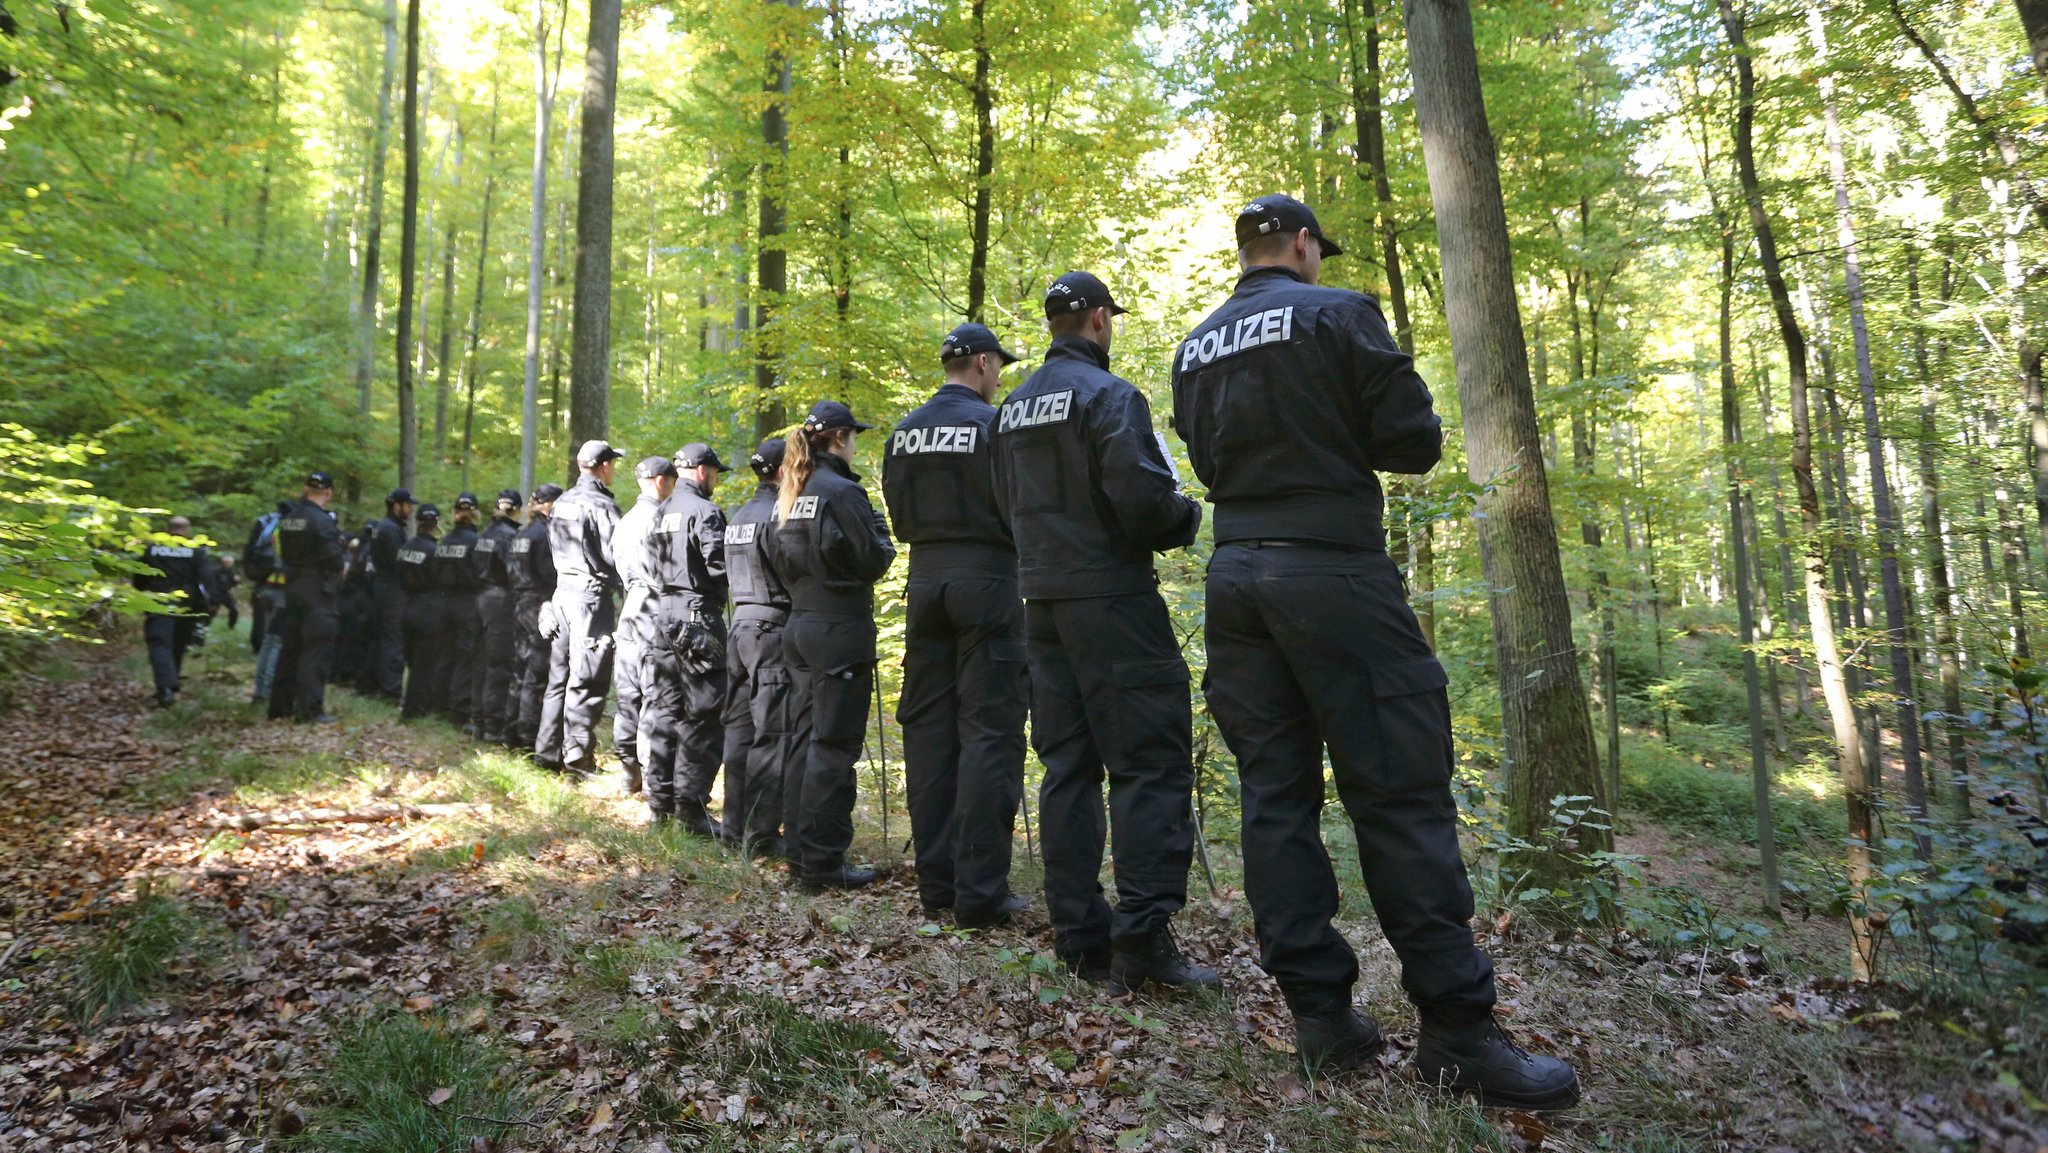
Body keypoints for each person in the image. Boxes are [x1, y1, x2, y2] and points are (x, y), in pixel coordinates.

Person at [1171, 194, 1577, 1107]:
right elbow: (1413, 442)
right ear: (1305, 246)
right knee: (1399, 788)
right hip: (1332, 572)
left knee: (1275, 793)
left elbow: (1202, 461)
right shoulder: (1338, 311)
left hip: (1235, 578)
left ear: (1247, 252)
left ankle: (1321, 1018)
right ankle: (1460, 1034)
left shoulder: (1195, 342)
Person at [989, 271, 1209, 993]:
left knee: (1068, 768)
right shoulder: (1111, 397)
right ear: (1096, 321)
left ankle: (1081, 939)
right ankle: (1141, 941)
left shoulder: (1012, 409)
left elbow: (1002, 505)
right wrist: (1187, 517)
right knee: (1149, 764)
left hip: (1041, 604)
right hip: (1112, 600)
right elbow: (1146, 500)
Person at [881, 322, 1032, 928]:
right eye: (998, 364)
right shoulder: (994, 427)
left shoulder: (905, 432)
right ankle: (980, 894)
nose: (999, 375)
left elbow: (897, 512)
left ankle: (936, 884)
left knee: (929, 734)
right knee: (990, 733)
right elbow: (1018, 503)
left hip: (927, 584)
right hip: (990, 580)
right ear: (979, 364)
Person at [768, 401, 896, 891]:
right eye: (854, 435)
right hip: (838, 627)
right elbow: (873, 559)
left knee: (803, 739)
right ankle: (821, 863)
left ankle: (802, 854)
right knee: (834, 744)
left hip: (799, 626)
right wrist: (881, 535)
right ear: (840, 438)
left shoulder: (792, 489)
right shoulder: (842, 492)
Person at [642, 443, 730, 836]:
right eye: (715, 472)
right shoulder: (705, 513)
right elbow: (720, 568)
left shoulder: (661, 512)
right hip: (697, 617)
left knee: (667, 710)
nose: (715, 480)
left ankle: (660, 803)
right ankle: (691, 810)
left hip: (663, 616)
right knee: (705, 714)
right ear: (701, 471)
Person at [721, 439, 797, 858]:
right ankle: (763, 834)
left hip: (740, 631)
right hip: (770, 632)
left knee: (739, 731)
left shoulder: (739, 516)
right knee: (773, 731)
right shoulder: (777, 515)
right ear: (783, 471)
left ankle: (734, 827)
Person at [536, 440, 625, 774]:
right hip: (590, 598)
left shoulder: (562, 503)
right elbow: (617, 554)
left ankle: (547, 752)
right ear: (602, 466)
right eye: (613, 463)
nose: (614, 469)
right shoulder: (601, 505)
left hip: (562, 595)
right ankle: (578, 758)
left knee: (559, 677)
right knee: (587, 677)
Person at [611, 458, 674, 794]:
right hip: (653, 607)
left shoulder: (624, 521)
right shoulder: (660, 520)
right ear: (661, 481)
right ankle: (651, 777)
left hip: (630, 608)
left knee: (628, 692)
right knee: (653, 693)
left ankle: (627, 771)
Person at [268, 471, 347, 724]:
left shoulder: (289, 517)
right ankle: (309, 710)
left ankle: (280, 706)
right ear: (328, 493)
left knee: (290, 647)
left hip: (292, 587)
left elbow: (278, 548)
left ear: (305, 489)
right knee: (316, 647)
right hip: (316, 589)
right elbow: (333, 556)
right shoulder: (322, 520)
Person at [134, 515, 210, 708]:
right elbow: (207, 578)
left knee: (160, 643)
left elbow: (139, 576)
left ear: (168, 529)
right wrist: (208, 603)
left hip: (158, 602)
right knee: (179, 643)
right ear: (187, 530)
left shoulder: (152, 549)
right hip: (186, 604)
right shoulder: (196, 551)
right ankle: (171, 682)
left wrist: (143, 593)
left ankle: (165, 688)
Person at [508, 485, 562, 749]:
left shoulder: (522, 534)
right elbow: (550, 573)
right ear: (548, 505)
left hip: (520, 603)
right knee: (536, 672)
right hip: (539, 604)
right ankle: (528, 738)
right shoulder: (544, 534)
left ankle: (512, 733)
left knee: (520, 668)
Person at [472, 489, 524, 744]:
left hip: (482, 598)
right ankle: (494, 726)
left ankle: (479, 720)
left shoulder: (485, 533)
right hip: (501, 601)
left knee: (483, 661)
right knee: (501, 665)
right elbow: (514, 572)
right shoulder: (509, 537)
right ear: (516, 509)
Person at [361, 488, 415, 702]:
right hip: (391, 588)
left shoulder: (385, 527)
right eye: (408, 505)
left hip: (382, 587)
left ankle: (370, 684)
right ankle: (390, 690)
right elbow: (398, 563)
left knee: (381, 637)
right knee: (393, 638)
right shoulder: (390, 530)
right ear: (397, 505)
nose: (410, 510)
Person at [437, 494, 484, 728]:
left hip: (444, 602)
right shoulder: (476, 542)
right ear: (475, 514)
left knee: (445, 655)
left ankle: (441, 704)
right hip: (467, 602)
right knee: (465, 657)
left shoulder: (443, 542)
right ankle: (460, 712)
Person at [397, 504, 443, 721]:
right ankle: (415, 710)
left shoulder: (405, 548)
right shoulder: (435, 551)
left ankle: (411, 705)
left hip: (407, 606)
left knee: (412, 661)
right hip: (429, 610)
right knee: (424, 664)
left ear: (417, 522)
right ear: (436, 524)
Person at [245, 502, 288, 701]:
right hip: (281, 590)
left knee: (269, 640)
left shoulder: (265, 523)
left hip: (264, 588)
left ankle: (260, 690)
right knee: (277, 641)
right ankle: (267, 691)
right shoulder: (285, 528)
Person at [331, 519, 376, 689]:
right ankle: (347, 675)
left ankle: (337, 673)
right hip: (356, 598)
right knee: (352, 640)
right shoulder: (365, 553)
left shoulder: (348, 553)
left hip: (341, 597)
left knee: (341, 638)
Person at [207, 553, 241, 634]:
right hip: (216, 594)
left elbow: (234, 583)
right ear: (223, 562)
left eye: (230, 562)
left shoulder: (232, 571)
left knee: (234, 610)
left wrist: (237, 581)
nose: (229, 563)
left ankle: (231, 626)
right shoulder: (216, 571)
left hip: (226, 594)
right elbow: (212, 583)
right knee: (212, 612)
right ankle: (205, 626)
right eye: (227, 562)